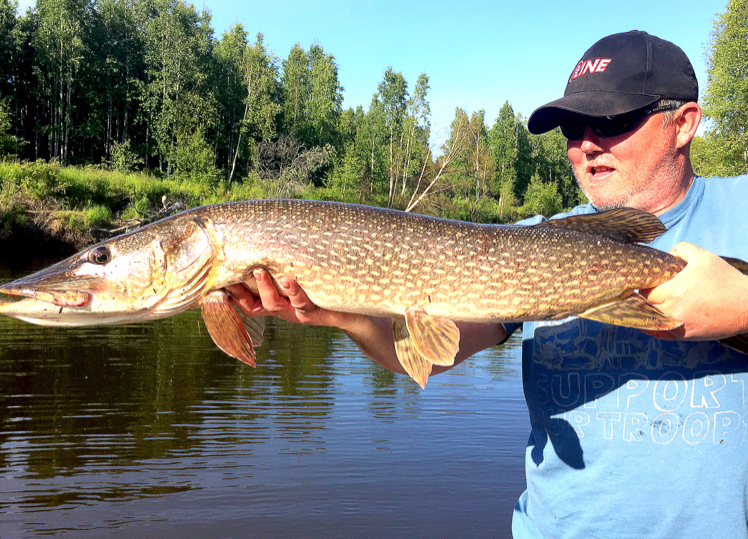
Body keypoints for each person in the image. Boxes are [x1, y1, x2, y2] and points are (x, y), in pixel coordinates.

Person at [226, 31, 748, 538]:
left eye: (611, 121)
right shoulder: (524, 242)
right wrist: (333, 311)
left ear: (682, 125)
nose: (586, 146)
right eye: (571, 129)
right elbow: (426, 355)